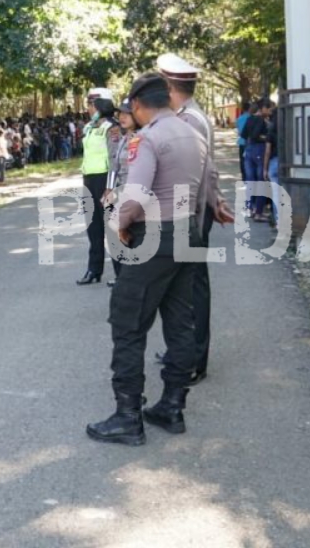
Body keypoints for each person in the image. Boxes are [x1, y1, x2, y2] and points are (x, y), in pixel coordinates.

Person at [86, 74, 225, 446]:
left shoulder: (149, 138)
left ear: (139, 104)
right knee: (180, 322)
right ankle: (172, 405)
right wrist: (218, 205)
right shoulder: (192, 131)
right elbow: (209, 179)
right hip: (186, 234)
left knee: (128, 322)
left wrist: (117, 223)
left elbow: (137, 193)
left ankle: (127, 416)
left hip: (156, 236)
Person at [159, 53, 231, 383]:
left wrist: (212, 202)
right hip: (191, 209)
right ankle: (182, 349)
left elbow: (203, 168)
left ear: (168, 85)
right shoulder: (186, 115)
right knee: (180, 285)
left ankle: (194, 358)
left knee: (192, 285)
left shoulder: (189, 120)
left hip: (189, 211)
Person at [77, 88, 118, 286]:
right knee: (93, 227)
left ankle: (121, 272)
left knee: (112, 228)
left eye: (90, 104)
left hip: (105, 181)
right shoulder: (90, 127)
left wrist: (110, 188)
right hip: (89, 179)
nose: (88, 108)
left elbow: (114, 160)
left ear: (100, 105)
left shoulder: (112, 128)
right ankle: (94, 269)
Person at [103, 101, 135, 287]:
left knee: (128, 235)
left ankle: (130, 277)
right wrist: (109, 189)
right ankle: (121, 275)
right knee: (114, 234)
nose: (122, 117)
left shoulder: (141, 138)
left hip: (134, 194)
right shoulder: (122, 138)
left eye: (126, 114)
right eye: (120, 114)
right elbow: (114, 166)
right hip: (119, 190)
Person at [243, 99, 274, 222]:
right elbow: (256, 135)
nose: (270, 111)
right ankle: (259, 212)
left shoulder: (249, 118)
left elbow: (244, 134)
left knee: (251, 180)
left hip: (249, 150)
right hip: (259, 151)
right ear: (263, 109)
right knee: (261, 180)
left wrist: (253, 137)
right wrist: (266, 137)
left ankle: (250, 208)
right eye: (269, 108)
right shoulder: (261, 120)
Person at [235, 102, 251, 177]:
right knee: (249, 160)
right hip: (250, 142)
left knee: (242, 160)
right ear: (249, 108)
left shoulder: (239, 119)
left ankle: (244, 176)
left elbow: (238, 131)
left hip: (241, 142)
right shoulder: (251, 118)